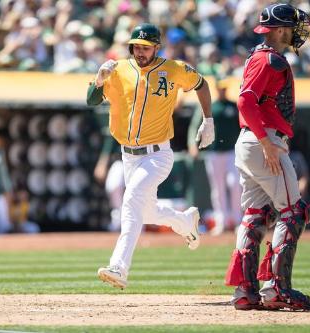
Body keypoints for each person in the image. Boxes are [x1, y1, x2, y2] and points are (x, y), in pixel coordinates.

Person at [87, 23, 215, 289]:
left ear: (157, 47)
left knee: (131, 201)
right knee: (145, 211)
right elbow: (92, 100)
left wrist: (208, 120)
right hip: (128, 155)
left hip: (158, 154)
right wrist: (99, 81)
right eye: (136, 46)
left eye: (145, 47)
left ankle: (119, 266)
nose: (140, 51)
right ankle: (184, 221)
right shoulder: (119, 69)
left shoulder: (174, 69)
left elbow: (201, 84)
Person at [224, 4, 310, 311]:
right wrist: (266, 143)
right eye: (290, 26)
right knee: (294, 211)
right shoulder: (270, 59)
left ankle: (246, 291)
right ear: (278, 29)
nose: (296, 31)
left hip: (251, 142)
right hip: (264, 141)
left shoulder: (259, 55)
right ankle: (278, 288)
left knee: (255, 216)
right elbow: (245, 101)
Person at [188, 79, 242, 235]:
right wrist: (193, 144)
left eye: (225, 88)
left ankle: (237, 219)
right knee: (217, 188)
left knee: (234, 184)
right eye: (220, 88)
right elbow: (195, 125)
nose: (222, 91)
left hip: (232, 151)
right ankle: (222, 220)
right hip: (213, 152)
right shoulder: (209, 105)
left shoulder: (233, 106)